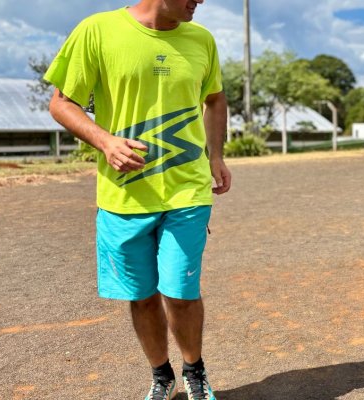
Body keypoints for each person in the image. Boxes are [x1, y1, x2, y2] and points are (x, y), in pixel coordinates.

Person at [45, 1, 229, 399]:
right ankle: (161, 376)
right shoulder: (97, 31)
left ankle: (194, 372)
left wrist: (215, 155)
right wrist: (105, 141)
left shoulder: (202, 39)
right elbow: (61, 102)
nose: (201, 1)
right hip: (123, 196)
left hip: (187, 191)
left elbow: (215, 98)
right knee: (142, 296)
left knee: (180, 291)